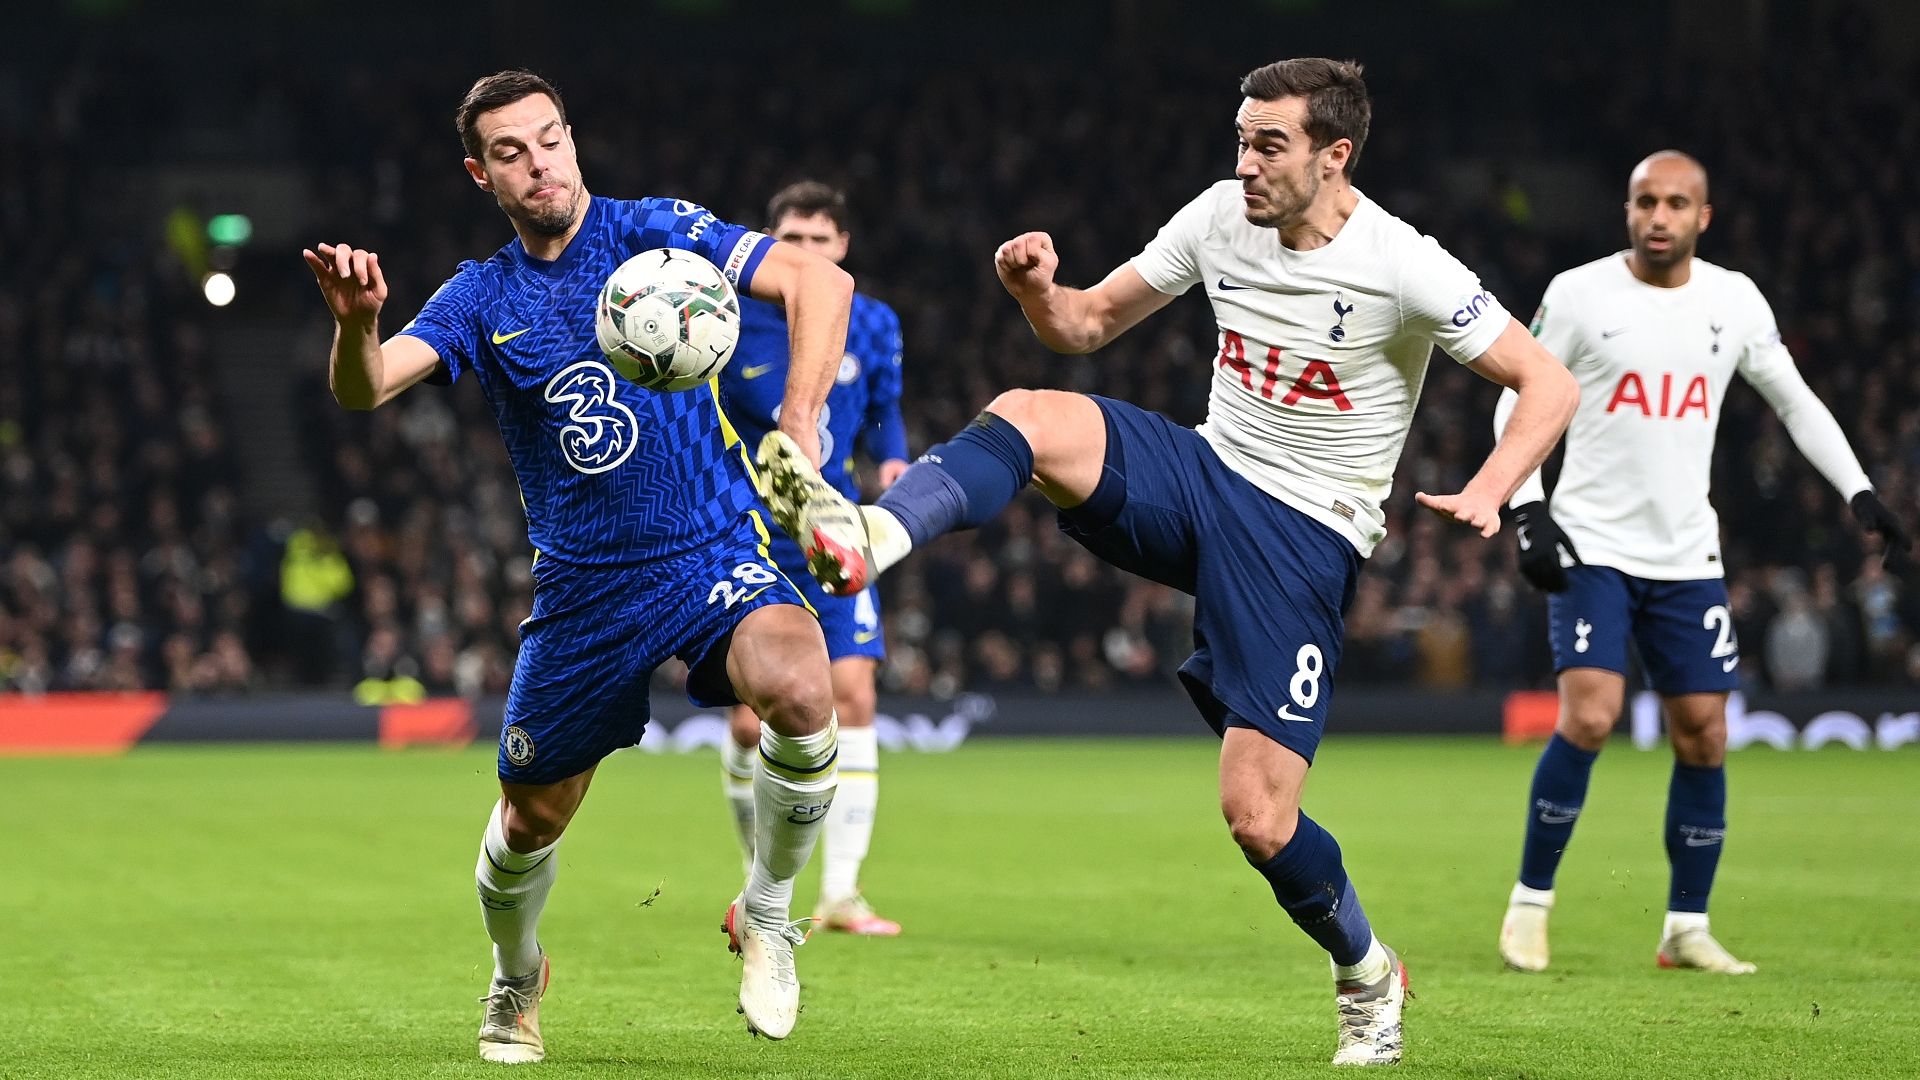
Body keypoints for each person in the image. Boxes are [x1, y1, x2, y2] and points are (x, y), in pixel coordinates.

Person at [754, 58, 1579, 1067]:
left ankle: (1367, 972)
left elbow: (1546, 382)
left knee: (1259, 819)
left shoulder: (1406, 264)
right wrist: (1036, 291)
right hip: (1202, 471)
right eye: (1240, 140)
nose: (1245, 163)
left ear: (1336, 155)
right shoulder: (1218, 216)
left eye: (1268, 144)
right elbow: (1087, 327)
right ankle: (873, 539)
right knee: (1027, 415)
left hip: (1302, 535)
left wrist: (1496, 486)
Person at [302, 70, 856, 1060]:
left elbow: (823, 281)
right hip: (586, 593)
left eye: (549, 138)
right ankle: (517, 975)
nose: (538, 162)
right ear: (481, 173)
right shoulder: (483, 295)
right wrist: (354, 326)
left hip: (712, 550)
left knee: (802, 689)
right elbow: (367, 389)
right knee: (526, 827)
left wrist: (804, 422)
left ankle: (768, 913)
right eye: (509, 152)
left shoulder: (659, 230)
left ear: (570, 137)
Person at [1492, 150, 1911, 976]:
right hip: (1592, 544)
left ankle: (1686, 926)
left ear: (1702, 217)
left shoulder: (1734, 299)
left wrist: (1859, 491)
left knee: (1706, 734)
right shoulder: (1580, 295)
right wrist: (1525, 507)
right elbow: (1516, 390)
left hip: (1688, 554)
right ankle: (1528, 906)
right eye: (1646, 200)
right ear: (1626, 209)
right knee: (1589, 714)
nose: (1659, 216)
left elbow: (1794, 399)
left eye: (1676, 203)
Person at [716, 181, 908, 936]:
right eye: (789, 241)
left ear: (843, 250)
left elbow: (884, 410)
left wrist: (891, 464)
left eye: (819, 242)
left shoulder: (874, 322)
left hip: (832, 529)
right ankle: (759, 879)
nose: (804, 255)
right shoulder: (726, 319)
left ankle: (842, 895)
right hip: (749, 531)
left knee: (854, 696)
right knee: (745, 724)